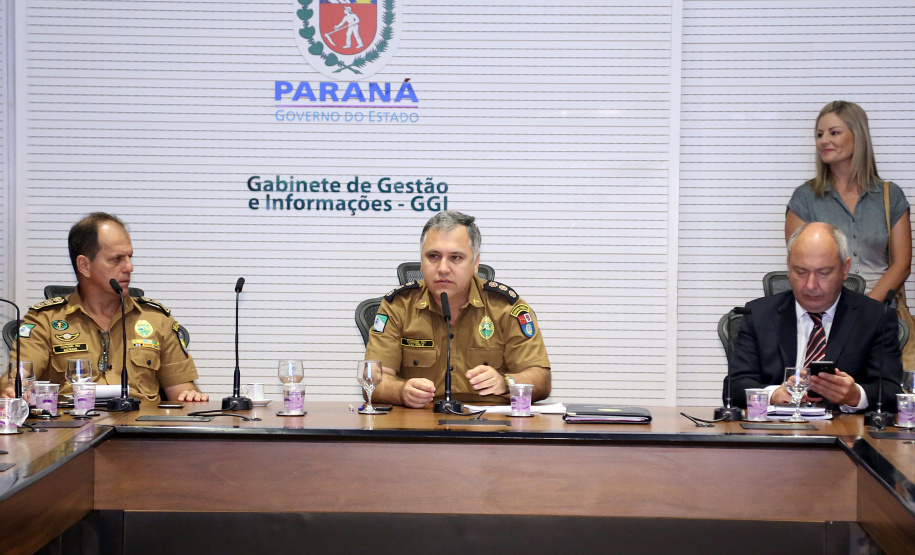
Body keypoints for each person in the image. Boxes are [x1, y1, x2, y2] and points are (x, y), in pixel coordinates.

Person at [1, 213, 208, 403]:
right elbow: (18, 375)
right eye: (117, 259)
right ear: (84, 265)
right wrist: (10, 386)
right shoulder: (44, 320)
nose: (129, 267)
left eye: (129, 257)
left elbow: (180, 390)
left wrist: (190, 397)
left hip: (140, 435)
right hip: (70, 434)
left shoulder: (156, 319)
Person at [365, 211, 550, 408]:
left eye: (455, 257)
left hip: (490, 428)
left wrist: (505, 383)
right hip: (420, 425)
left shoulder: (505, 307)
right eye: (433, 256)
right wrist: (401, 392)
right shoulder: (398, 306)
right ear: (422, 261)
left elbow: (541, 380)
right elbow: (373, 380)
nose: (443, 268)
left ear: (475, 263)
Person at [728, 222, 902, 412]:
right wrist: (774, 394)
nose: (810, 285)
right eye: (801, 272)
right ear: (788, 266)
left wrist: (855, 395)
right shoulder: (758, 314)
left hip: (845, 435)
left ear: (845, 269)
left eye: (824, 272)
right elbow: (734, 388)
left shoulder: (875, 317)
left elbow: (891, 391)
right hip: (776, 432)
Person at [785, 100, 911, 302]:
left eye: (834, 133)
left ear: (858, 136)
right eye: (819, 134)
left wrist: (866, 310)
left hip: (880, 314)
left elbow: (901, 265)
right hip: (825, 313)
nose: (823, 140)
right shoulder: (804, 198)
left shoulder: (891, 196)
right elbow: (801, 266)